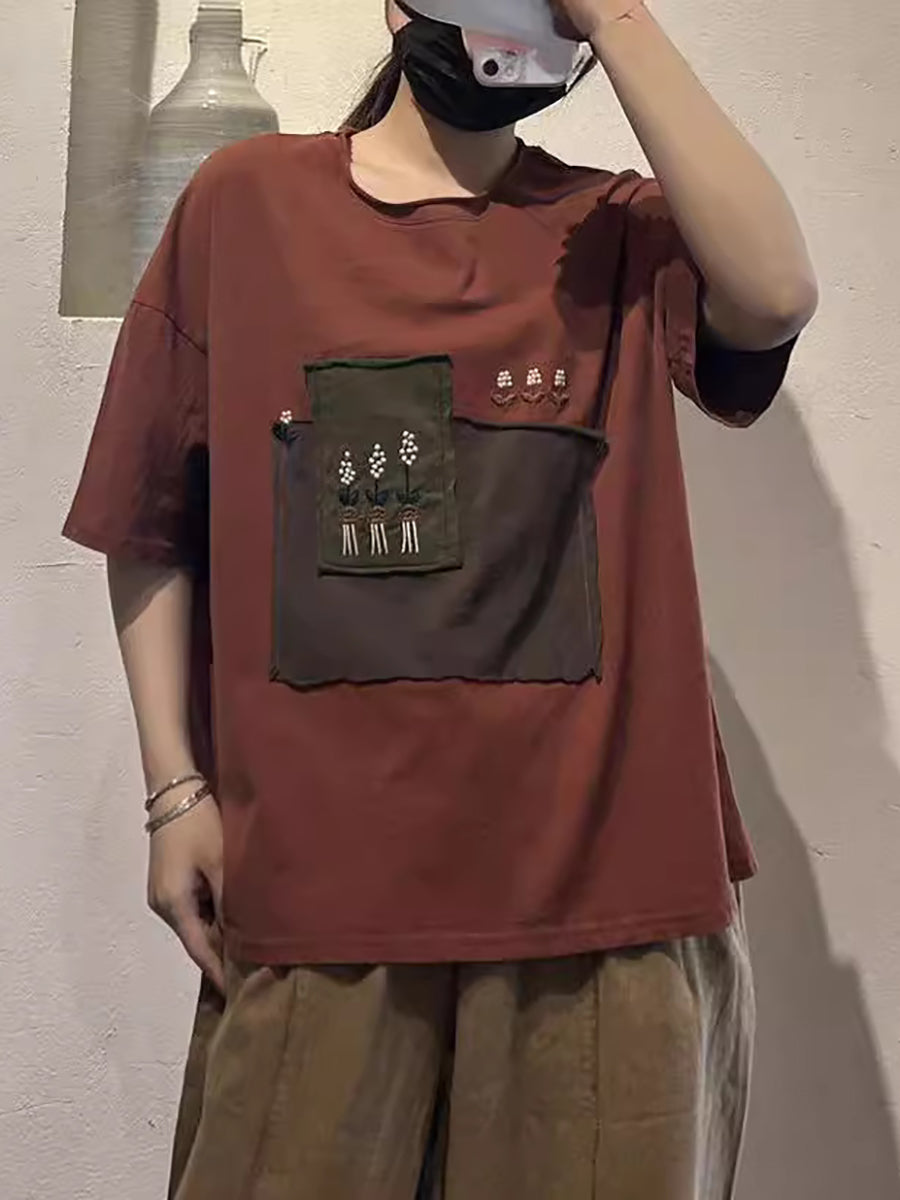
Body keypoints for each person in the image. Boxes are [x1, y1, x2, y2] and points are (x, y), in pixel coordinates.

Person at [62, 0, 818, 1196]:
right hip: (321, 893)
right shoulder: (245, 205)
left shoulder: (614, 231)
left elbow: (774, 293)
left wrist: (616, 19)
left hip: (605, 908)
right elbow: (151, 511)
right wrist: (174, 795)